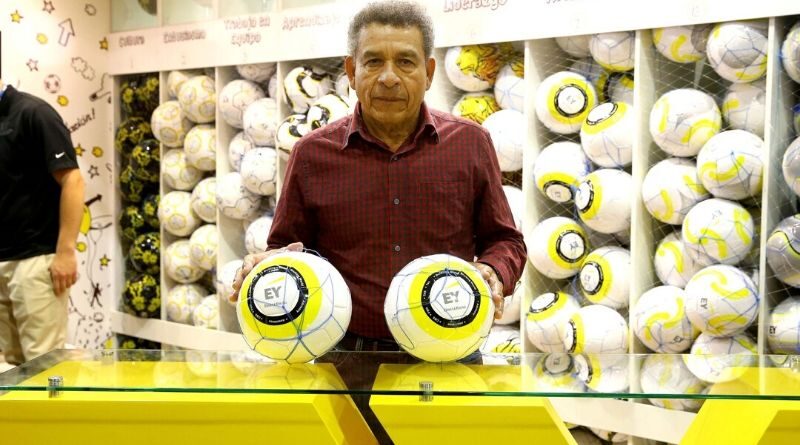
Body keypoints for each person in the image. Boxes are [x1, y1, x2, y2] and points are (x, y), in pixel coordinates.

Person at [231, 1, 526, 349]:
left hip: (449, 346)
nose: (389, 77)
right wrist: (271, 265)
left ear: (429, 73)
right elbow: (285, 248)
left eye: (405, 62)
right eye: (373, 62)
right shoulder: (311, 154)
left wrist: (494, 270)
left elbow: (505, 241)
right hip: (346, 353)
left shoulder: (470, 143)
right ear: (351, 72)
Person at [0, 80, 84, 365]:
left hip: (35, 260)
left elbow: (73, 181)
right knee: (13, 365)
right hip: (3, 260)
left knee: (44, 365)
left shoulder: (34, 112)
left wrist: (66, 251)